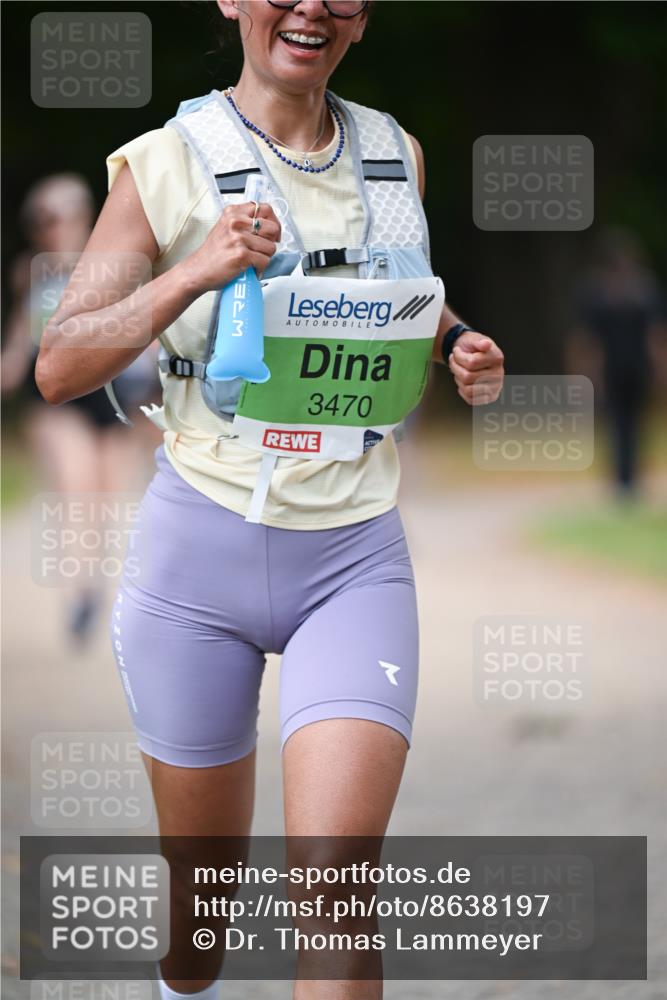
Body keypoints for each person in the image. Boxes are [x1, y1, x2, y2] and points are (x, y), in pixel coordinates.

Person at [35, 1, 504, 996]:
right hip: (195, 563)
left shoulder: (397, 154)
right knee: (202, 911)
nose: (312, 8)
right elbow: (60, 364)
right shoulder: (163, 162)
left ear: (362, 19)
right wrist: (195, 272)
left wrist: (457, 340)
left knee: (335, 884)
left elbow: (393, 295)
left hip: (351, 558)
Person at [2, 173, 161, 643]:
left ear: (83, 216)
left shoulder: (111, 264)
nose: (51, 227)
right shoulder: (30, 270)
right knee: (76, 487)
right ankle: (77, 593)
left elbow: (142, 324)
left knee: (108, 497)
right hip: (58, 395)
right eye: (41, 219)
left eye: (59, 216)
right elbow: (22, 333)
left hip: (113, 395)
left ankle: (96, 583)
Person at [568, 225, 665, 498]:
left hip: (635, 368)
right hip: (613, 370)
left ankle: (630, 479)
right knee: (617, 424)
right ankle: (622, 480)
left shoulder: (642, 291)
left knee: (633, 423)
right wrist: (584, 372)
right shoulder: (602, 293)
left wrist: (660, 366)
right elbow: (587, 338)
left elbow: (655, 334)